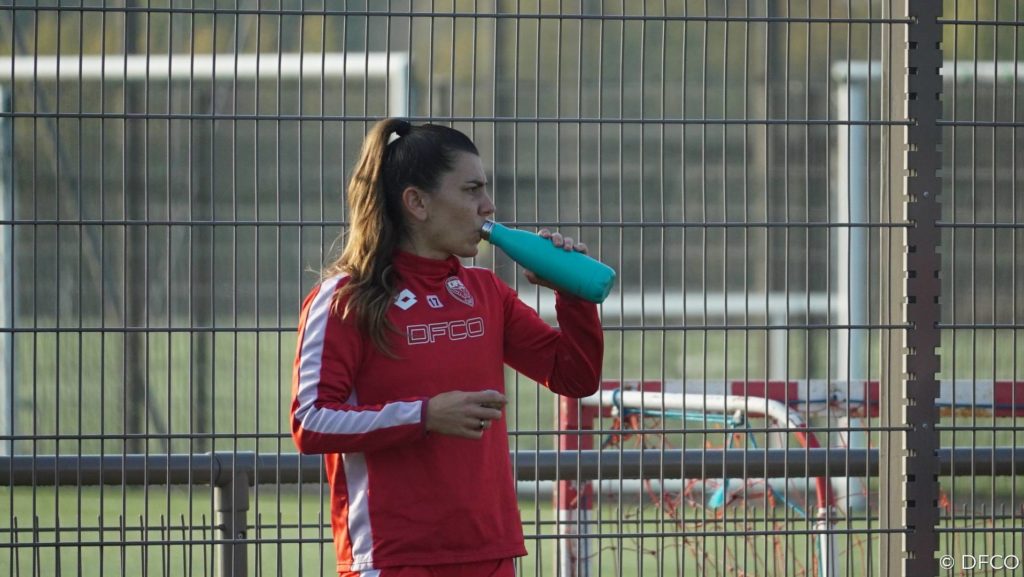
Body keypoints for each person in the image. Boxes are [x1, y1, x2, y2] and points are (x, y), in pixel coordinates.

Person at [290, 118, 604, 577]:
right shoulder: (345, 299)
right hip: (393, 557)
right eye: (472, 189)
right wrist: (425, 415)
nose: (488, 205)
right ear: (417, 202)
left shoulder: (485, 291)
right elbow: (310, 421)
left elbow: (575, 377)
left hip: (490, 552)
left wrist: (572, 295)